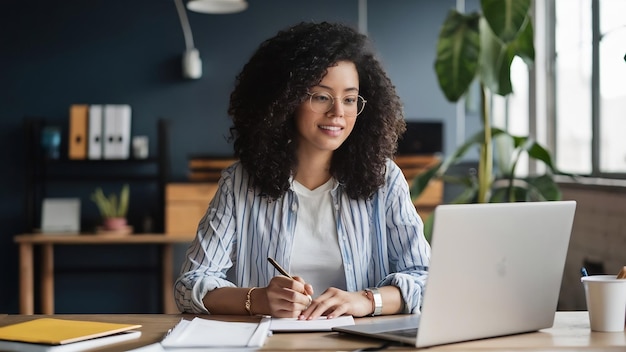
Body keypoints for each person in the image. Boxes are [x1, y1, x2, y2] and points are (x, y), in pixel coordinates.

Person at [174, 21, 430, 319]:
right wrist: (258, 300)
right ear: (286, 100)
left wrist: (366, 300)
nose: (338, 113)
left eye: (349, 99)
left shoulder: (385, 179)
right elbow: (189, 286)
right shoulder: (239, 183)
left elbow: (424, 277)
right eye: (321, 96)